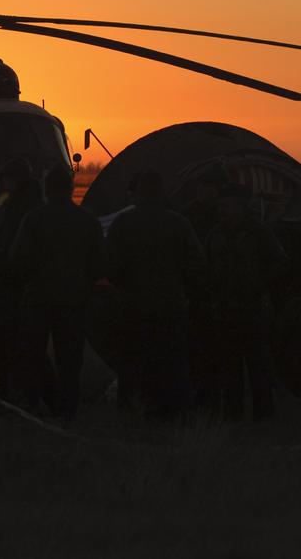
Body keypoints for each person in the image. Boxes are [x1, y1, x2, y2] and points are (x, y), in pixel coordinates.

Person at [105, 168, 205, 419]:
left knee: (133, 364)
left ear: (137, 192)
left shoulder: (123, 223)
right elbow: (197, 264)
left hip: (133, 307)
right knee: (172, 363)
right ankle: (174, 412)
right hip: (170, 306)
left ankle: (133, 410)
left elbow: (109, 266)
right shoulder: (178, 223)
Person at [10, 169, 104, 421]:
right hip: (74, 301)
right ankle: (67, 412)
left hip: (38, 300)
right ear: (71, 188)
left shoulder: (33, 219)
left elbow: (19, 259)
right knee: (70, 361)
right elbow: (99, 264)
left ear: (46, 188)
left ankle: (30, 407)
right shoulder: (87, 221)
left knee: (32, 357)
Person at [205, 183, 287, 420]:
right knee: (230, 368)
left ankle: (263, 416)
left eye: (227, 205)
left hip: (253, 310)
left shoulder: (259, 232)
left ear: (241, 206)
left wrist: (258, 283)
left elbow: (280, 263)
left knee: (258, 366)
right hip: (225, 310)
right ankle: (232, 415)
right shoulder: (216, 234)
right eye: (221, 206)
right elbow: (205, 265)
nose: (223, 210)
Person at [0, 159, 50, 405]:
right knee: (32, 351)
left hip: (6, 295)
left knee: (6, 351)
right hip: (33, 295)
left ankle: (4, 400)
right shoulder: (40, 211)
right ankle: (42, 400)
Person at [180, 164, 228, 411]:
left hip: (220, 293)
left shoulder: (227, 218)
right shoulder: (190, 215)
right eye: (201, 186)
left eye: (208, 187)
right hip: (198, 292)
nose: (203, 191)